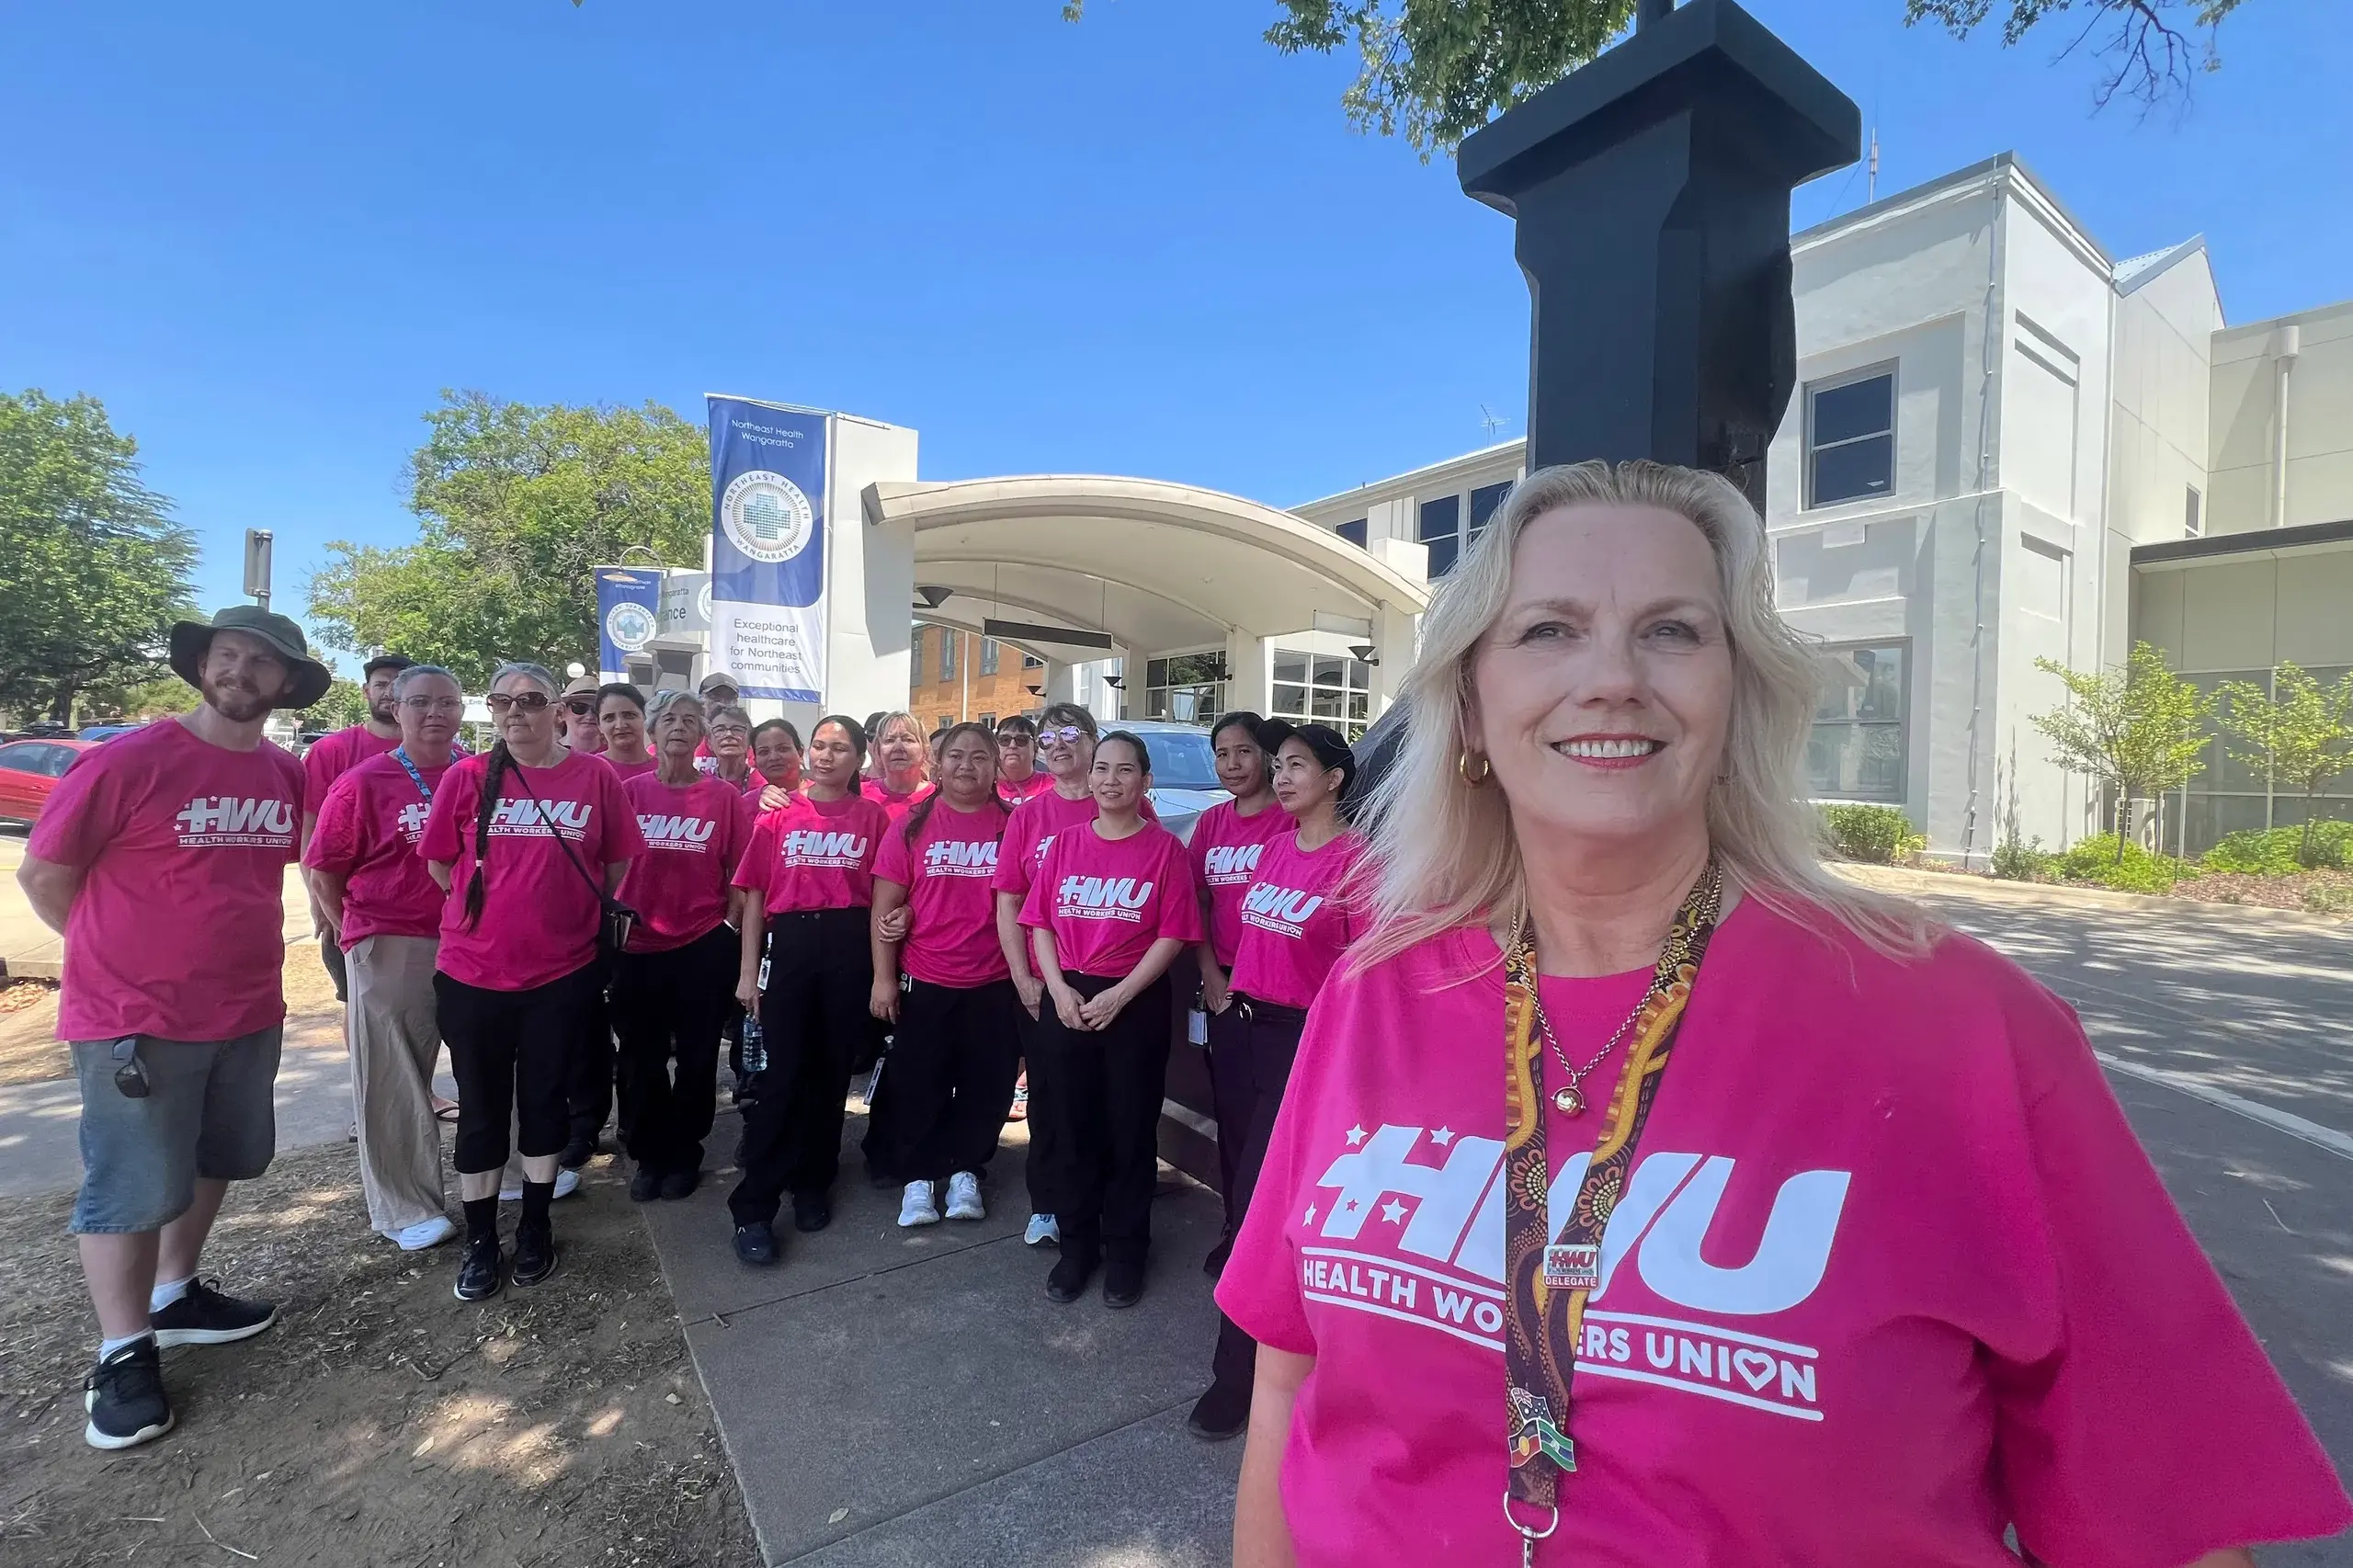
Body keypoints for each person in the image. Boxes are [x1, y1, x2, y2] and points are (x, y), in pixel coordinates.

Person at [1217, 460, 2353, 1566]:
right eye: (1547, 629)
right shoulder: (1381, 987)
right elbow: (1287, 1381)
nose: (1612, 674)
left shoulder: (1958, 1025)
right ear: (1467, 702)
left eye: (1673, 629)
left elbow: (2157, 1522)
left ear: (1737, 691)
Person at [17, 606, 328, 1449]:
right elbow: (44, 874)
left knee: (216, 1158)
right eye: (228, 657)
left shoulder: (281, 773)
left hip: (246, 1008)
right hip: (136, 1021)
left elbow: (261, 880)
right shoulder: (132, 761)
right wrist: (114, 962)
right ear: (202, 667)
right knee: (129, 1183)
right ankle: (121, 1353)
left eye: (262, 665)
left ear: (287, 685)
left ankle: (176, 1293)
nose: (241, 673)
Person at [419, 662, 643, 1303]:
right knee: (483, 1109)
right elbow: (441, 864)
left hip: (562, 975)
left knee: (545, 1103)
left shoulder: (594, 776)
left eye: (531, 701)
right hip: (472, 976)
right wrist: (485, 919)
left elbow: (619, 859)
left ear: (558, 711)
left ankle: (538, 1225)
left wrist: (569, 913)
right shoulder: (467, 778)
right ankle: (483, 1239)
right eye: (502, 702)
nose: (515, 712)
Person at [1186, 721, 1360, 1442]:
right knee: (1247, 1189)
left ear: (1335, 778)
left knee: (1266, 1205)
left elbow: (1365, 980)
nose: (1281, 777)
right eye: (1278, 765)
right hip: (1245, 1031)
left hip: (1307, 1045)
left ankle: (1239, 1378)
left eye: (1295, 766)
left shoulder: (1362, 864)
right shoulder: (1278, 847)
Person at [1019, 731, 1201, 1309]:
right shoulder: (1066, 845)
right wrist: (1057, 990)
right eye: (1102, 768)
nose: (1110, 779)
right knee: (1070, 1128)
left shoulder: (1164, 850)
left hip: (1135, 1000)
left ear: (1145, 782)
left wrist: (1121, 995)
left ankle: (1126, 1250)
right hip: (1067, 997)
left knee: (1128, 1131)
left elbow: (1173, 933)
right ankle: (1078, 1248)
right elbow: (1040, 922)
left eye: (1125, 770)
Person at [303, 665, 468, 1253]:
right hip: (395, 938)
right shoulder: (364, 782)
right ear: (394, 709)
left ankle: (515, 1173)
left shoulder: (482, 775)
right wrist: (355, 933)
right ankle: (405, 1206)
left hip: (478, 942)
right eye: (419, 702)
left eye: (446, 703)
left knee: (499, 1060)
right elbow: (324, 868)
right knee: (394, 1077)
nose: (434, 714)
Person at [726, 716, 892, 1266]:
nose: (825, 756)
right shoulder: (778, 815)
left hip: (849, 949)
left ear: (858, 759)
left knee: (829, 1078)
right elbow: (753, 897)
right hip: (791, 948)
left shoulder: (872, 817)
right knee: (781, 1079)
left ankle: (813, 1183)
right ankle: (754, 1205)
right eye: (818, 745)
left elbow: (885, 896)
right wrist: (749, 972)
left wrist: (881, 972)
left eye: (839, 748)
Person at [868, 722, 1021, 1229]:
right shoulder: (912, 824)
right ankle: (918, 1177)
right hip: (926, 978)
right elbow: (885, 907)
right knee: (919, 1082)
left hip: (995, 981)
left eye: (980, 757)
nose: (967, 766)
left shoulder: (1014, 825)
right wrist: (883, 979)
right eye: (956, 755)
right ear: (938, 763)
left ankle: (966, 1170)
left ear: (995, 764)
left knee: (988, 1084)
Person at [611, 691, 749, 1203]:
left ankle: (685, 1153)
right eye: (669, 719)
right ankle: (649, 1155)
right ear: (652, 731)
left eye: (691, 721)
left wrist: (728, 928)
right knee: (640, 1060)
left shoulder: (722, 798)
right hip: (637, 947)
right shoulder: (629, 791)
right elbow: (607, 863)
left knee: (695, 1059)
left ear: (702, 737)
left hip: (701, 945)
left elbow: (741, 872)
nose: (679, 728)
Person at [989, 702, 1104, 1250]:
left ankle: (1102, 1198)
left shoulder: (1128, 805)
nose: (1058, 744)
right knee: (1052, 1098)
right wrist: (1023, 977)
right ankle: (1050, 1203)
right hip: (1042, 980)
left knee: (1104, 1098)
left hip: (1107, 982)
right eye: (1048, 736)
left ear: (1092, 742)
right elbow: (1009, 900)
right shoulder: (1028, 817)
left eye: (1071, 734)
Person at [1186, 710, 1291, 1271]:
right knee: (1233, 1115)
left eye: (1244, 751)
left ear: (1267, 757)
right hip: (1227, 991)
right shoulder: (1210, 824)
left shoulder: (1289, 820)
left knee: (1278, 1123)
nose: (1232, 764)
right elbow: (1198, 905)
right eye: (1222, 753)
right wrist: (1210, 975)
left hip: (1280, 997)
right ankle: (1235, 1222)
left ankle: (1272, 1236)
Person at [301, 653, 413, 1009]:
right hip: (352, 911)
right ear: (366, 691)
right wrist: (319, 901)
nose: (390, 692)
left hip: (426, 918)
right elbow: (310, 831)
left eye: (399, 684)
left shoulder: (446, 753)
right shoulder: (331, 750)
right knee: (360, 1009)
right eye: (381, 684)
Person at [864, 710, 933, 818]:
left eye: (908, 740)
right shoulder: (861, 795)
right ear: (878, 751)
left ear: (925, 750)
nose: (898, 747)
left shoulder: (939, 798)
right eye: (889, 740)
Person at [597, 683, 656, 779]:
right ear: (599, 725)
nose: (620, 725)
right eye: (609, 718)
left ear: (645, 717)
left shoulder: (665, 770)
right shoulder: (590, 770)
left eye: (629, 715)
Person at [995, 715, 1051, 805]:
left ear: (1035, 749)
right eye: (1005, 740)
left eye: (1021, 739)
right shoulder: (985, 788)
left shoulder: (1056, 786)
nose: (1012, 745)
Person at [701, 703, 757, 792]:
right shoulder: (700, 783)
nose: (728, 734)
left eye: (737, 729)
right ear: (709, 742)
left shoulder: (762, 783)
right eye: (720, 729)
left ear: (750, 740)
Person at [557, 675, 606, 755]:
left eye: (596, 709)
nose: (589, 716)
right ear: (562, 713)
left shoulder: (616, 754)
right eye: (580, 708)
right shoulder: (546, 754)